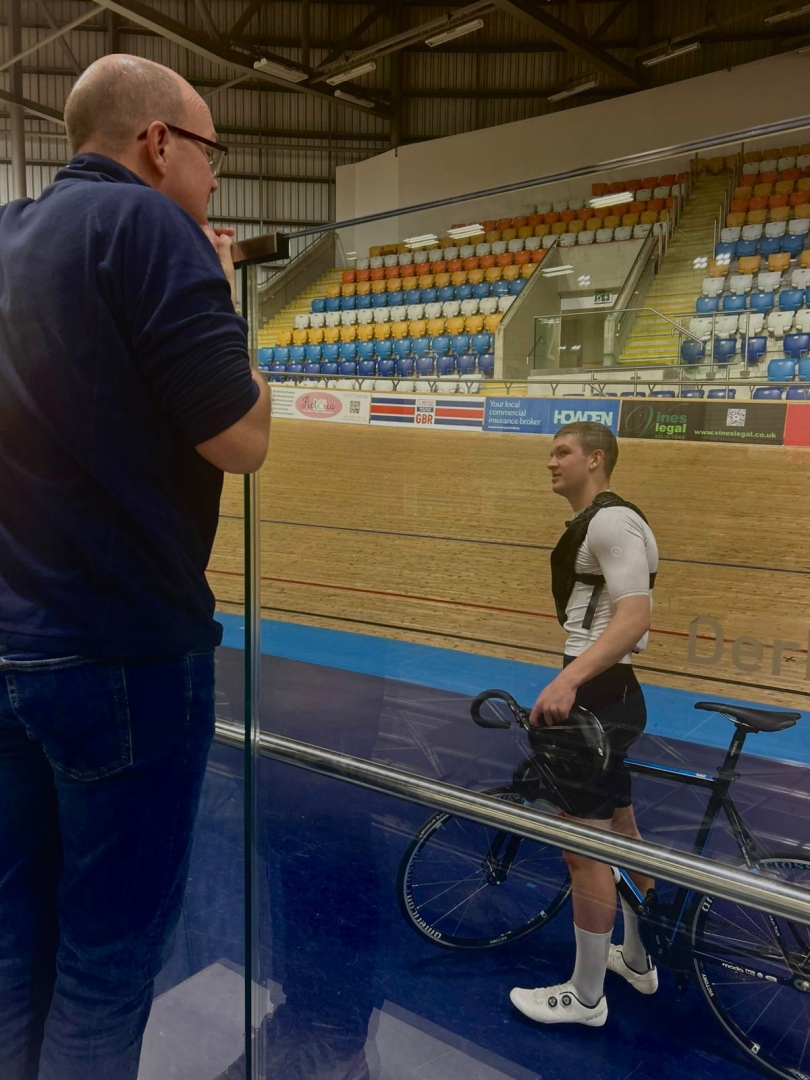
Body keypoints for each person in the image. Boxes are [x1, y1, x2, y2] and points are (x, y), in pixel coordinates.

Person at [0, 54, 270, 1080]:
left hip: (10, 650)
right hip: (122, 656)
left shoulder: (9, 233)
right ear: (159, 141)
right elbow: (239, 439)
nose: (211, 178)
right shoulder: (154, 226)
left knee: (15, 946)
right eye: (210, 153)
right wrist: (232, 304)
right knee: (106, 972)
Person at [510, 421, 659, 1029]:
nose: (551, 462)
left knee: (585, 849)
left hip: (598, 690)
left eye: (562, 452)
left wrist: (570, 681)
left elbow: (633, 617)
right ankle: (638, 960)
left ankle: (585, 996)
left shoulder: (609, 521)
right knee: (621, 833)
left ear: (595, 460)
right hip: (611, 689)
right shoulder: (602, 522)